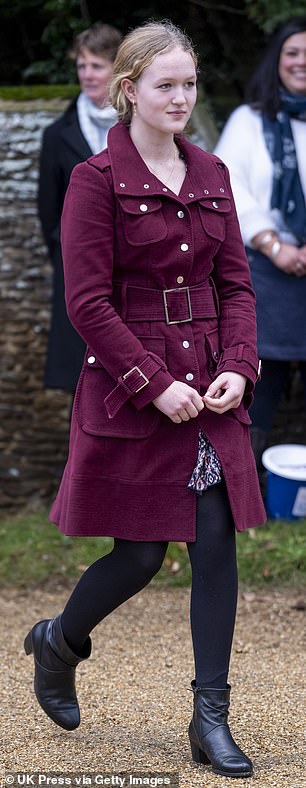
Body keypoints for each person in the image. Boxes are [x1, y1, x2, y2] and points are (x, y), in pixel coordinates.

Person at [24, 21, 266, 779]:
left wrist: (239, 366)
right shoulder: (94, 181)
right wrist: (153, 385)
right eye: (166, 84)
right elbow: (88, 303)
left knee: (215, 541)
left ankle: (210, 717)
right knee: (138, 554)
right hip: (132, 389)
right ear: (129, 90)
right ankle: (59, 641)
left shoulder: (212, 173)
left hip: (211, 384)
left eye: (189, 84)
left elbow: (234, 284)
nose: (181, 98)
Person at [214, 17, 306, 470]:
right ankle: (249, 495)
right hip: (267, 271)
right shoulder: (248, 121)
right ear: (277, 60)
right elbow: (231, 188)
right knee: (260, 386)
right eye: (292, 52)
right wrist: (274, 245)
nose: (301, 61)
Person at [38, 22, 122, 393]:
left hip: (137, 263)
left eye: (97, 66)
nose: (87, 75)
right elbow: (48, 208)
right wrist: (69, 253)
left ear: (118, 69)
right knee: (83, 376)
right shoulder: (57, 134)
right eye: (81, 66)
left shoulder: (142, 125)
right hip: (81, 265)